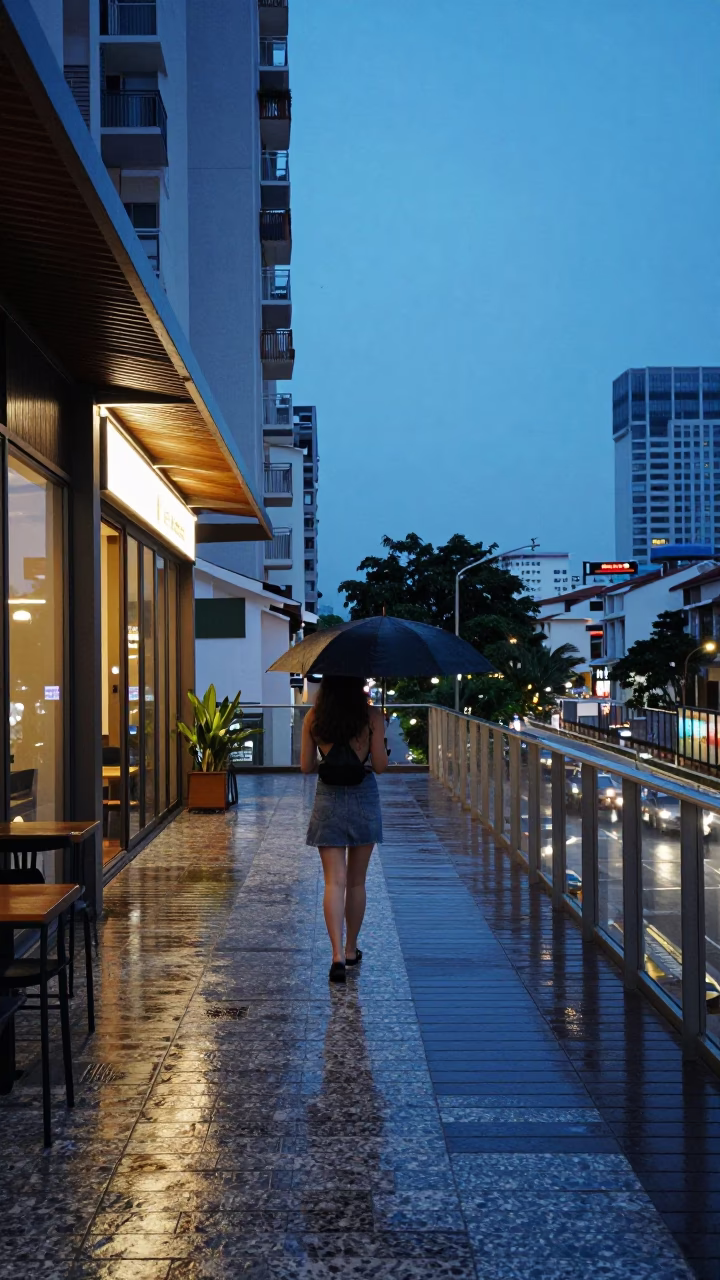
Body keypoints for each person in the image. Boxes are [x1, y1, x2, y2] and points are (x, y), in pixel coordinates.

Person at [301, 675, 388, 984]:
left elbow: (306, 766)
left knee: (333, 883)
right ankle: (352, 949)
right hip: (364, 798)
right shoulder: (373, 715)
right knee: (356, 882)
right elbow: (379, 766)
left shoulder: (314, 716)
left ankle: (336, 955)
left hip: (328, 799)